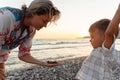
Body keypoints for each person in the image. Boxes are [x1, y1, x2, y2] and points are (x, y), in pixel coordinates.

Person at [0, 0, 61, 79]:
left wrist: (43, 63)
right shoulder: (7, 17)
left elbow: (23, 54)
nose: (45, 26)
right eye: (44, 21)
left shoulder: (31, 30)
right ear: (34, 12)